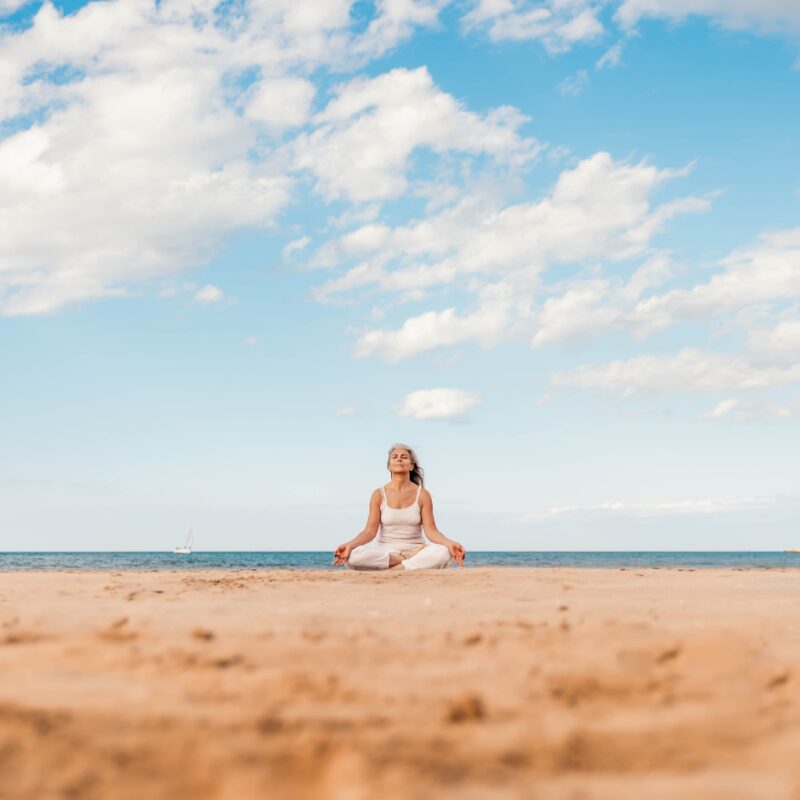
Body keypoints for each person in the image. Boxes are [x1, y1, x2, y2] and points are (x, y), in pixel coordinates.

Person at [333, 444, 466, 571]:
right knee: (353, 557)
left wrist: (449, 543)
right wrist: (350, 545)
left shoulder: (422, 494)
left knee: (444, 552)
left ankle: (391, 570)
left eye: (404, 457)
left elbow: (431, 531)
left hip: (416, 549)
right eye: (395, 457)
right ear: (389, 466)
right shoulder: (378, 494)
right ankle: (405, 562)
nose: (399, 459)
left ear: (411, 466)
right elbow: (369, 532)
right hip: (386, 553)